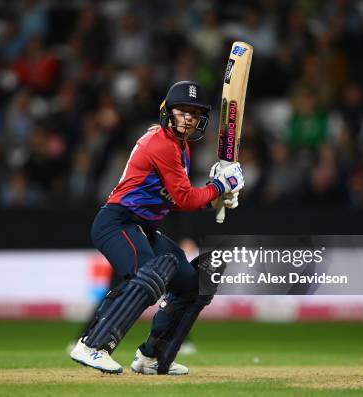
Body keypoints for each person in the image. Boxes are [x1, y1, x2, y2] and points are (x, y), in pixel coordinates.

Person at [69, 81, 244, 375]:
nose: (188, 118)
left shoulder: (180, 147)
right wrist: (217, 187)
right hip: (118, 221)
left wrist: (214, 197)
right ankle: (92, 346)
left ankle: (153, 356)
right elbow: (186, 199)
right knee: (147, 275)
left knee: (191, 284)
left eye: (194, 113)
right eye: (182, 111)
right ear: (168, 111)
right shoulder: (162, 144)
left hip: (143, 228)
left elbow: (174, 199)